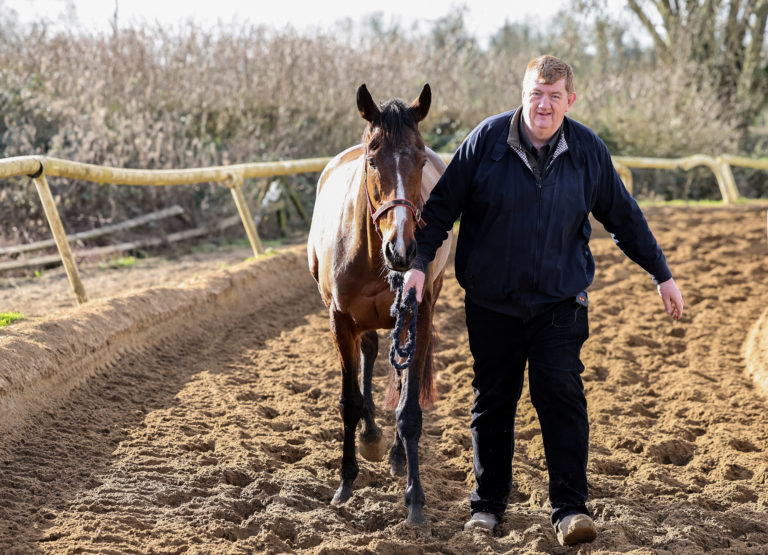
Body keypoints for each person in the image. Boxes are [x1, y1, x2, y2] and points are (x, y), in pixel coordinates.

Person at [403, 55, 683, 546]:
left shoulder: (588, 151)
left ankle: (570, 509)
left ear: (570, 100)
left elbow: (624, 216)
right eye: (536, 93)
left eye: (555, 96)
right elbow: (441, 208)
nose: (544, 104)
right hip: (492, 303)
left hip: (559, 302)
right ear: (523, 93)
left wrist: (661, 273)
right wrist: (417, 267)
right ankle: (487, 507)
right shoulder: (485, 142)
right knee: (493, 402)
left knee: (561, 395)